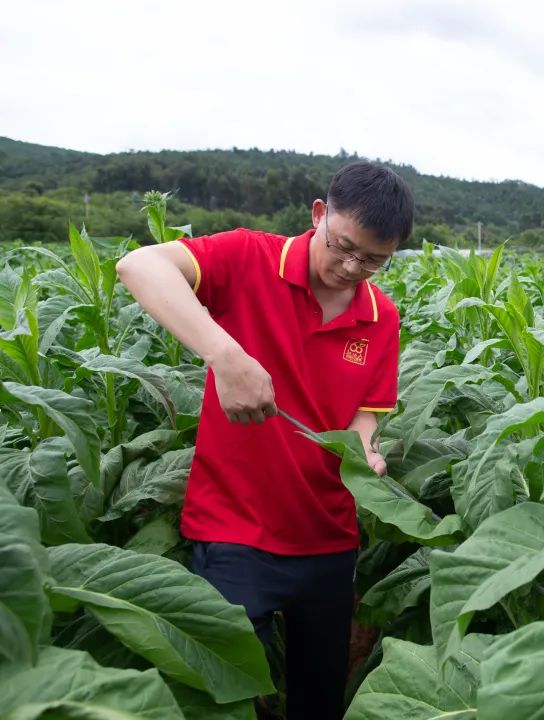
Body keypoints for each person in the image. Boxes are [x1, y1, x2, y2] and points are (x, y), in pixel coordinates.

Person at [116, 162, 413, 719]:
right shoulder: (248, 256)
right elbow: (137, 265)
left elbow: (363, 417)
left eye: (373, 259)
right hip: (235, 533)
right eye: (343, 246)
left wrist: (364, 452)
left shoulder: (381, 317)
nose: (351, 267)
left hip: (328, 539)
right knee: (218, 695)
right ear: (319, 215)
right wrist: (224, 354)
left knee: (318, 698)